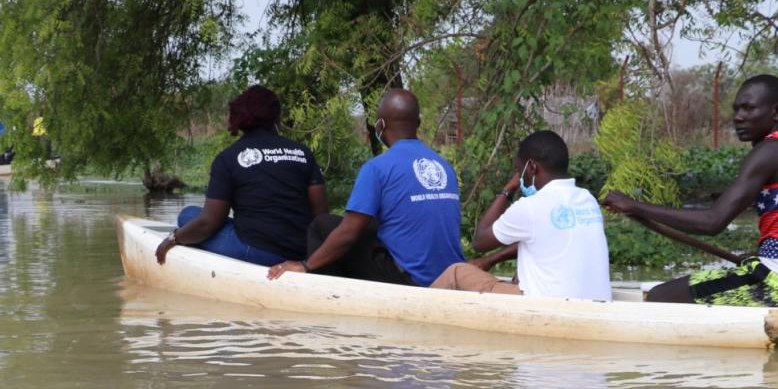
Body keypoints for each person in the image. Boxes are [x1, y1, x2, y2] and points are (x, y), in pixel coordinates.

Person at [602, 74, 778, 307]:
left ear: (777, 111)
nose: (738, 117)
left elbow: (712, 222)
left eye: (748, 108)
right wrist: (767, 257)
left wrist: (633, 205)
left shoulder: (768, 152)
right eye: (736, 109)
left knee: (660, 296)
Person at [266, 88, 464, 286]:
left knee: (323, 225)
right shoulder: (444, 166)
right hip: (449, 274)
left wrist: (306, 265)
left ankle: (332, 296)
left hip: (410, 280)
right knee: (371, 223)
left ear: (380, 125)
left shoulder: (378, 167)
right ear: (417, 124)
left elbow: (348, 234)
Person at [154, 85, 327, 266]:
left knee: (187, 215)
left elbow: (208, 224)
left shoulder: (227, 158)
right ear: (277, 116)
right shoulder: (302, 153)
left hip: (258, 252)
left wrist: (173, 238)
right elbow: (321, 214)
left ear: (239, 117)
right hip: (302, 250)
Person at [431, 130, 611, 300]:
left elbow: (480, 241)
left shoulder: (530, 206)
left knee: (456, 272)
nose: (521, 177)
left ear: (532, 167)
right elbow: (546, 239)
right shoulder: (587, 200)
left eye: (520, 171)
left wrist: (508, 190)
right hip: (593, 304)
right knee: (520, 274)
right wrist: (491, 260)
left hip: (545, 307)